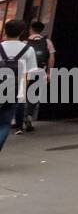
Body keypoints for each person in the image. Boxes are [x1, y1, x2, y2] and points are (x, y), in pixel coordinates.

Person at [1, 19, 37, 153]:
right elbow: (29, 74)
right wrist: (22, 91)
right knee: (5, 124)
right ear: (22, 32)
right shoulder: (29, 49)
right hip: (14, 90)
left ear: (5, 30)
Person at [18, 20, 52, 131]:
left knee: (22, 95)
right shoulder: (47, 42)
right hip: (40, 71)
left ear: (31, 29)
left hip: (26, 72)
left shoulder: (24, 42)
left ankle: (19, 119)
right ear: (41, 30)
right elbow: (51, 58)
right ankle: (29, 116)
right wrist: (49, 73)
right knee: (34, 95)